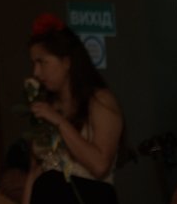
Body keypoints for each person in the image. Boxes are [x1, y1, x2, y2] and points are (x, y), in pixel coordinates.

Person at [21, 13, 123, 204]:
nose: (36, 72)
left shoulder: (99, 101)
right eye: (33, 64)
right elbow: (34, 171)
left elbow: (100, 166)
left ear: (66, 62)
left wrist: (60, 122)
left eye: (42, 62)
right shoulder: (46, 105)